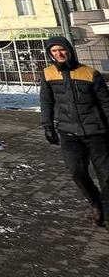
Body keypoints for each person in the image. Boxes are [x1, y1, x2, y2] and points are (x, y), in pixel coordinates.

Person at [40, 34, 109, 228]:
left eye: (61, 49)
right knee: (76, 172)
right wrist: (48, 126)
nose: (59, 53)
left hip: (96, 131)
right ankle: (96, 204)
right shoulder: (48, 74)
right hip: (68, 132)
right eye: (54, 51)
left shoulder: (89, 73)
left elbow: (106, 103)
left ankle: (107, 210)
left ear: (69, 50)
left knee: (106, 175)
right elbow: (46, 102)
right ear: (50, 54)